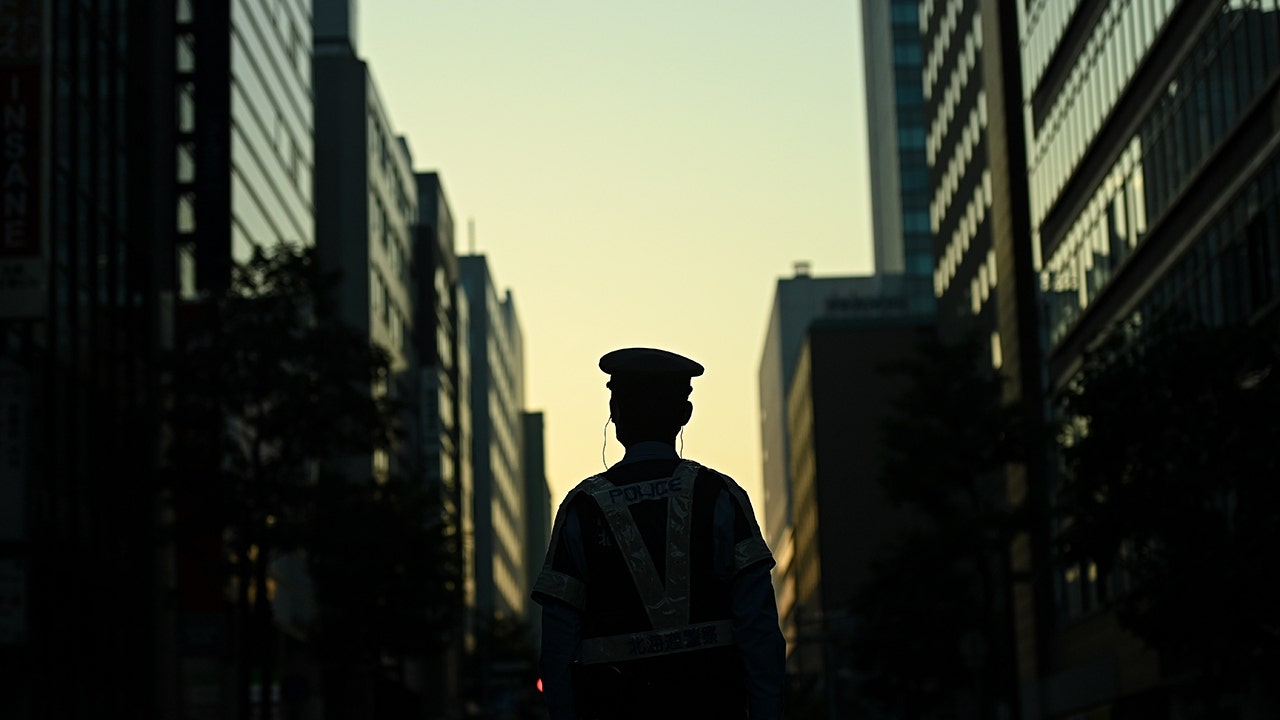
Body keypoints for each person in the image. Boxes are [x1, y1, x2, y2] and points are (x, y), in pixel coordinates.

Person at [532, 347, 786, 719]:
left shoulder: (583, 507)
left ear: (615, 415)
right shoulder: (720, 496)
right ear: (685, 415)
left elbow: (557, 642)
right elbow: (759, 628)